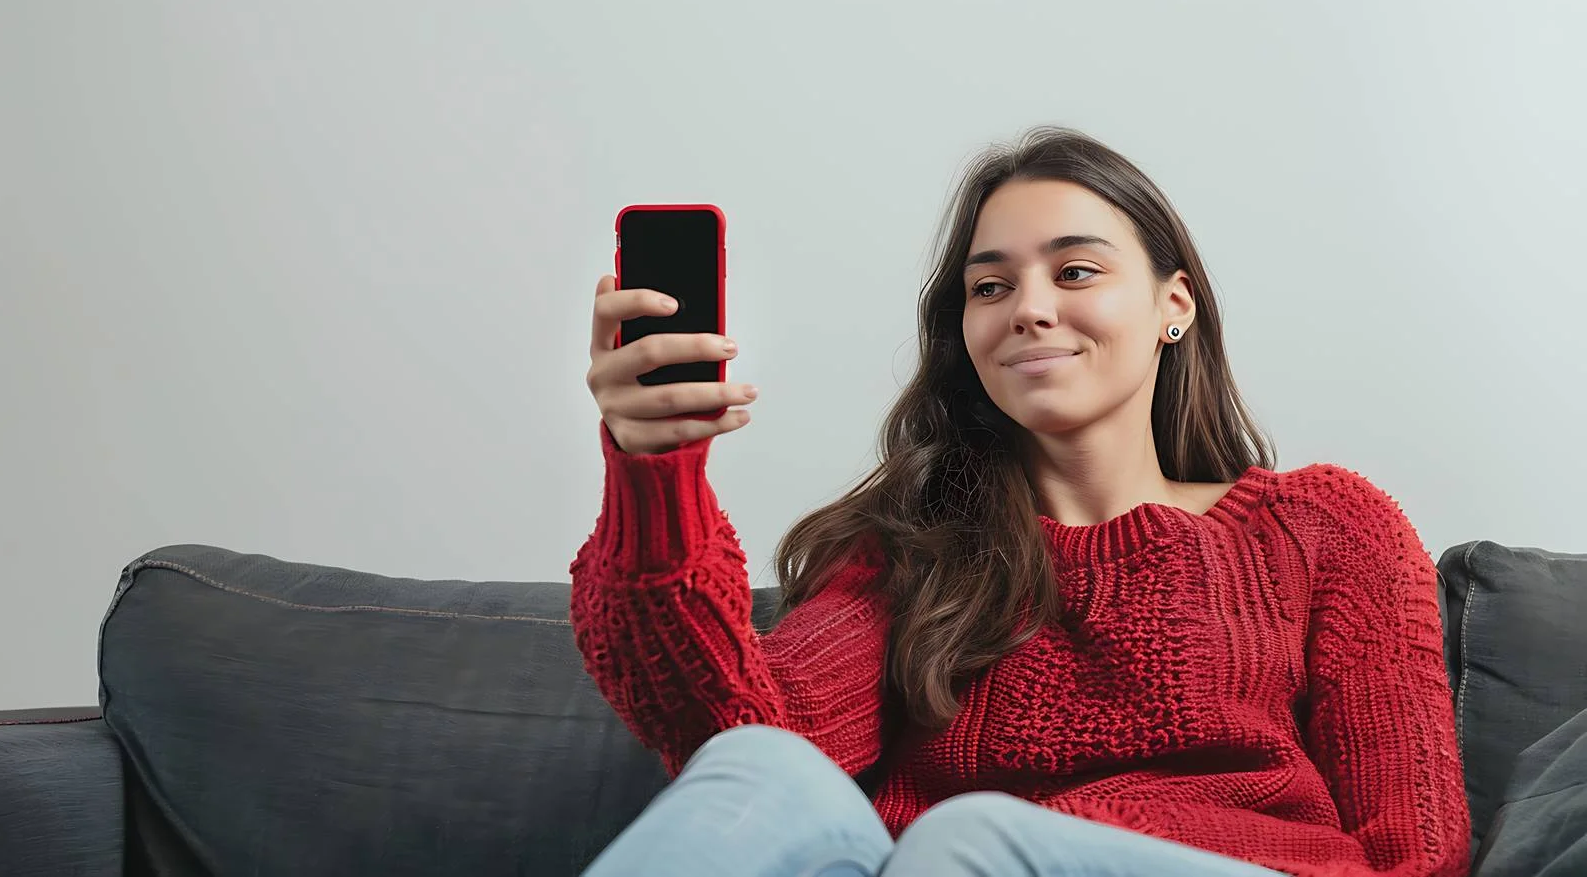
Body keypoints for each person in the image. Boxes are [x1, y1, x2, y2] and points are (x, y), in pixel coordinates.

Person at [569, 127, 1470, 877]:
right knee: (760, 767)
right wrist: (658, 474)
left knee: (967, 838)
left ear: (1174, 305)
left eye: (1075, 271)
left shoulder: (1327, 526)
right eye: (991, 286)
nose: (1029, 309)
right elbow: (739, 728)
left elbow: (1417, 848)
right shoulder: (913, 550)